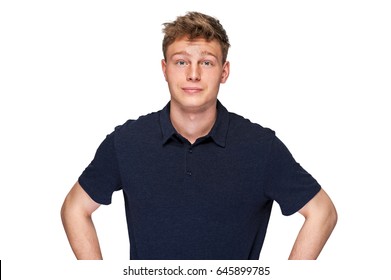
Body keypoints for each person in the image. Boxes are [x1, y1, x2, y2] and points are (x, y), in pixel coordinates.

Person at [61, 11, 337, 260]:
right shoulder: (127, 142)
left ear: (224, 72)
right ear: (165, 70)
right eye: (181, 62)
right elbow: (75, 209)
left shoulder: (260, 147)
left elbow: (322, 211)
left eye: (206, 62)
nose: (193, 74)